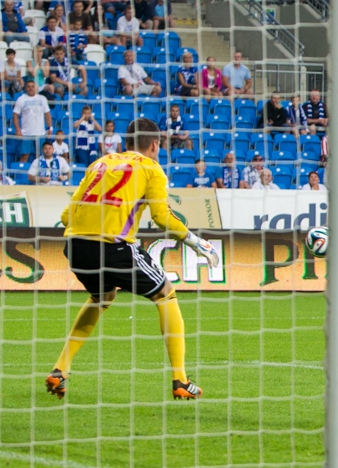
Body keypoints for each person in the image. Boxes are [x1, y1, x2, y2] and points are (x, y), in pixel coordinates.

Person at [46, 118, 219, 401]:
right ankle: (180, 380)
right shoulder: (151, 169)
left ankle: (60, 370)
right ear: (154, 144)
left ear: (125, 144)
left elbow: (67, 216)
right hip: (113, 247)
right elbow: (161, 217)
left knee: (102, 298)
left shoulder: (98, 164)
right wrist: (195, 242)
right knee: (166, 294)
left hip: (75, 246)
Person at [13, 79, 52, 163]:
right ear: (26, 88)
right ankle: (21, 174)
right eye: (28, 86)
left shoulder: (42, 99)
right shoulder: (21, 99)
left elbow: (47, 115)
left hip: (40, 133)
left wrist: (50, 128)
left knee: (42, 156)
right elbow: (15, 115)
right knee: (25, 156)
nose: (31, 88)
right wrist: (17, 130)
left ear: (36, 88)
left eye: (32, 86)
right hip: (27, 133)